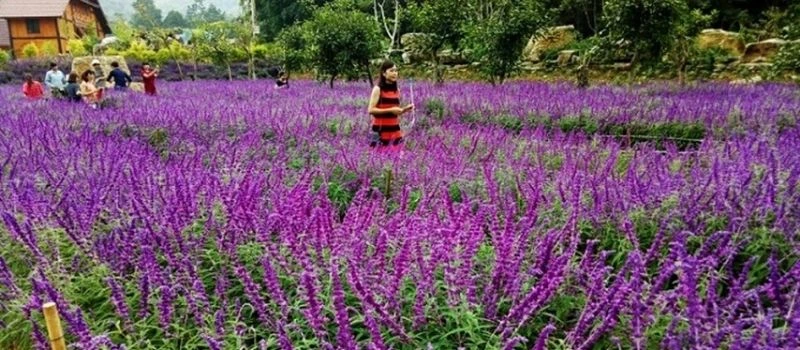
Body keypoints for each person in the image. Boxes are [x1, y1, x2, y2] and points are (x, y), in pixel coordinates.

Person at [367, 60, 413, 150]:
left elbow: (394, 112)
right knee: (378, 159)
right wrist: (391, 110)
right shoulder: (378, 89)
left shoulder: (397, 91)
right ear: (384, 73)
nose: (395, 73)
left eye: (396, 71)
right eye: (391, 71)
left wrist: (404, 110)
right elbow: (371, 110)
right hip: (380, 131)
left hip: (395, 130)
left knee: (397, 159)